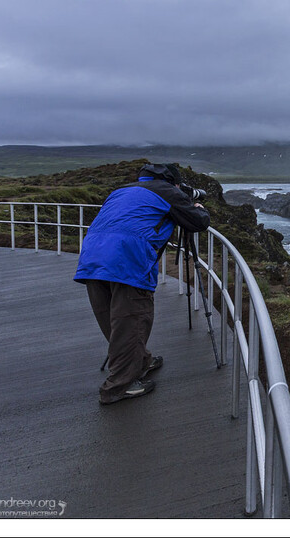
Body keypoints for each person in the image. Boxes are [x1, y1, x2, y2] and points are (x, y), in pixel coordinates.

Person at [74, 163, 210, 405]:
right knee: (132, 318)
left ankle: (140, 362)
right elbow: (198, 222)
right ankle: (119, 386)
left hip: (92, 255)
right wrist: (197, 206)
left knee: (113, 318)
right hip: (127, 258)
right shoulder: (167, 191)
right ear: (174, 183)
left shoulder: (123, 190)